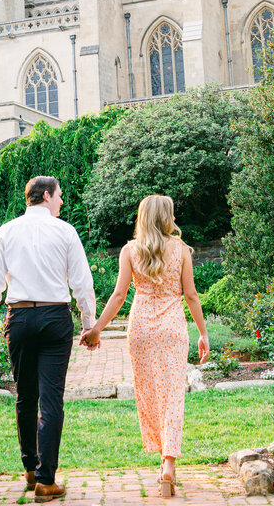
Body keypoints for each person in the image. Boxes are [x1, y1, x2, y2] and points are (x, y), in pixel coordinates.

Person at [79, 195, 209, 498]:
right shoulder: (181, 250)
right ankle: (168, 463)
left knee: (150, 392)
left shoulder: (130, 250)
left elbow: (119, 295)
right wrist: (203, 333)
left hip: (141, 328)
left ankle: (163, 458)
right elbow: (190, 295)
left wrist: (97, 329)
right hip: (172, 327)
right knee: (172, 394)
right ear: (167, 217)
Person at [0, 175, 96, 501]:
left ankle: (30, 470)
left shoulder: (7, 231)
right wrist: (88, 324)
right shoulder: (65, 231)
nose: (62, 202)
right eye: (59, 196)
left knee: (25, 396)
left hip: (18, 317)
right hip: (55, 317)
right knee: (51, 399)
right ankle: (46, 481)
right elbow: (82, 283)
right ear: (46, 196)